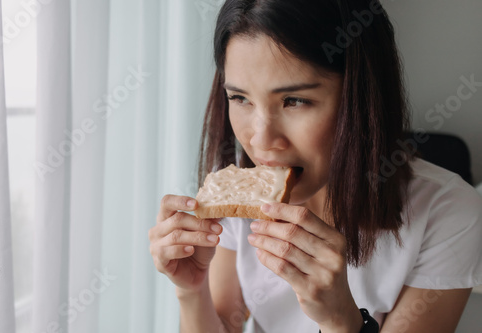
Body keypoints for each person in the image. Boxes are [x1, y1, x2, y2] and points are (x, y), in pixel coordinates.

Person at [149, 0, 482, 332]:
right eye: (240, 98)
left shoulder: (449, 212)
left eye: (295, 101)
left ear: (362, 98)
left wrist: (340, 320)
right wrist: (190, 290)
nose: (262, 141)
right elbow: (224, 323)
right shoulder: (240, 200)